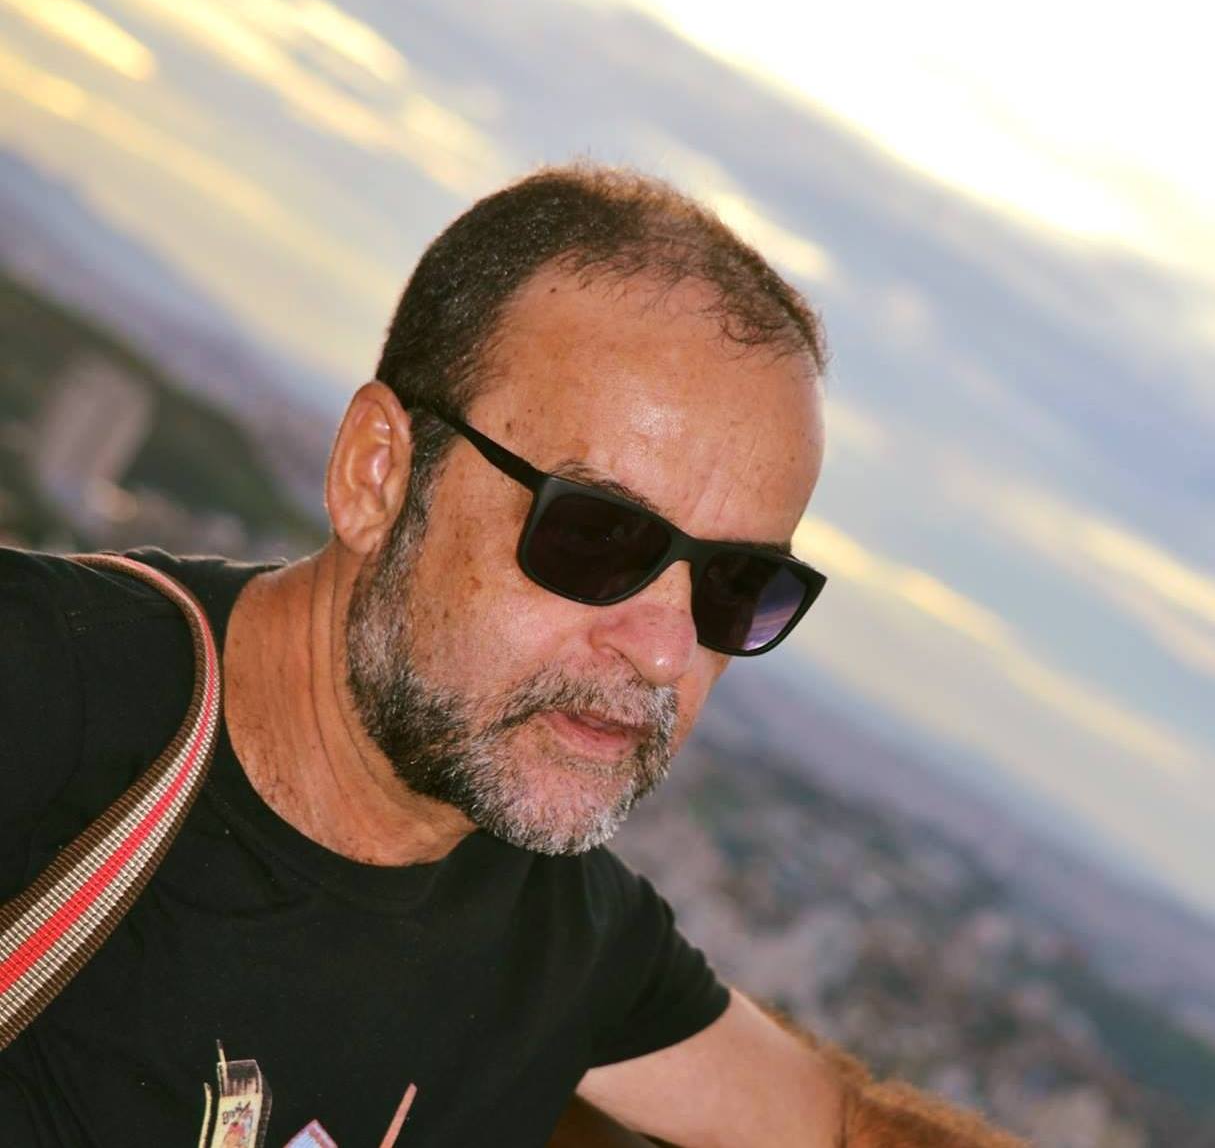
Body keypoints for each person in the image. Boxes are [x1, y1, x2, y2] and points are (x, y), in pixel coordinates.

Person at [0, 167, 1020, 1147]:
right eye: (598, 535)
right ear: (376, 475)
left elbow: (842, 1127)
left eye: (736, 586)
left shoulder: (563, 939)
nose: (666, 650)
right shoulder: (48, 689)